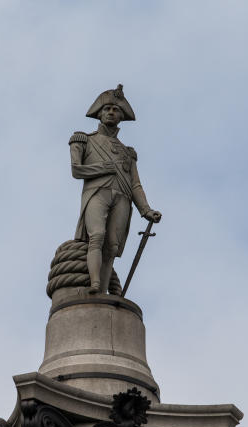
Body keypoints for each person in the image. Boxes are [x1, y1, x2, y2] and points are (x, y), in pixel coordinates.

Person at [70, 85, 162, 295]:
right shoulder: (83, 139)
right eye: (107, 109)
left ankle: (102, 291)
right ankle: (94, 284)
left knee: (112, 246)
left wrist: (146, 210)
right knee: (97, 236)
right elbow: (76, 170)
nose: (111, 112)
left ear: (121, 116)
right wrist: (102, 168)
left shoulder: (128, 152)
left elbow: (135, 184)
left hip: (122, 197)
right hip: (97, 192)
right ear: (99, 113)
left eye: (115, 110)